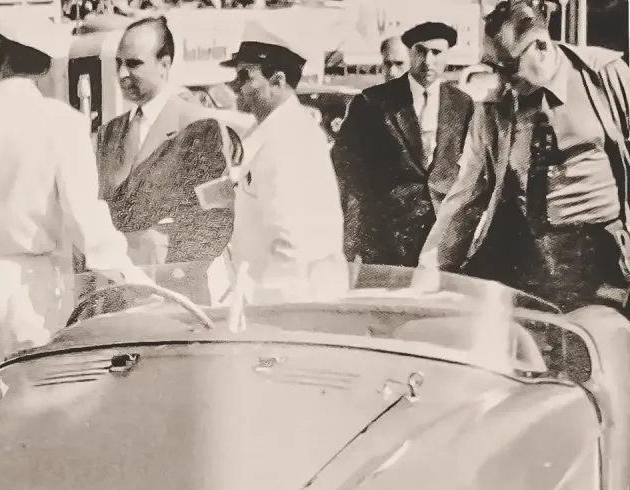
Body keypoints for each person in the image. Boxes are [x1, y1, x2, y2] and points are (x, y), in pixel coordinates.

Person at [0, 14, 150, 380]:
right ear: (44, 66)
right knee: (30, 401)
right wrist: (129, 274)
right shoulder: (64, 124)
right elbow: (85, 220)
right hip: (30, 290)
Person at [419, 0, 630, 312]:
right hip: (533, 263)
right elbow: (466, 193)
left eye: (509, 68)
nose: (503, 81)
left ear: (541, 47)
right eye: (493, 69)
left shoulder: (605, 75)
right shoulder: (496, 104)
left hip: (604, 260)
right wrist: (431, 269)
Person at [93, 15, 233, 268]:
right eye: (118, 64)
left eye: (134, 64)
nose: (122, 74)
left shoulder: (200, 129)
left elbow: (216, 219)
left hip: (169, 282)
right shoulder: (108, 134)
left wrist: (171, 269)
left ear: (164, 65)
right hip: (114, 281)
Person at [222, 22, 347, 302]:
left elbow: (290, 241)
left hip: (289, 300)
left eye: (245, 76)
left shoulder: (289, 138)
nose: (235, 85)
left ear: (277, 81)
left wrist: (267, 308)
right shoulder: (273, 129)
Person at [333, 21, 474, 266]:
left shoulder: (463, 104)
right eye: (421, 51)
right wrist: (351, 240)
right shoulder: (372, 103)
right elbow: (347, 170)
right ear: (410, 52)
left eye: (436, 52)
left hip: (444, 236)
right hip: (388, 237)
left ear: (448, 56)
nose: (428, 61)